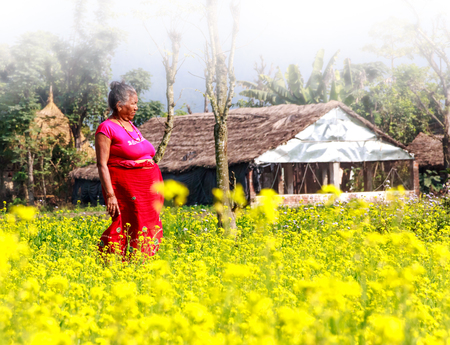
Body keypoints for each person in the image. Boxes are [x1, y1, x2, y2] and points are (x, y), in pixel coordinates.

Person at [95, 81, 164, 258]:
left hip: (146, 190)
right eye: (133, 103)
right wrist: (111, 195)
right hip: (126, 188)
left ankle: (144, 262)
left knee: (146, 226)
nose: (136, 107)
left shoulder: (131, 126)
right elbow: (102, 164)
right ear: (119, 106)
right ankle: (114, 260)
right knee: (128, 223)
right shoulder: (106, 128)